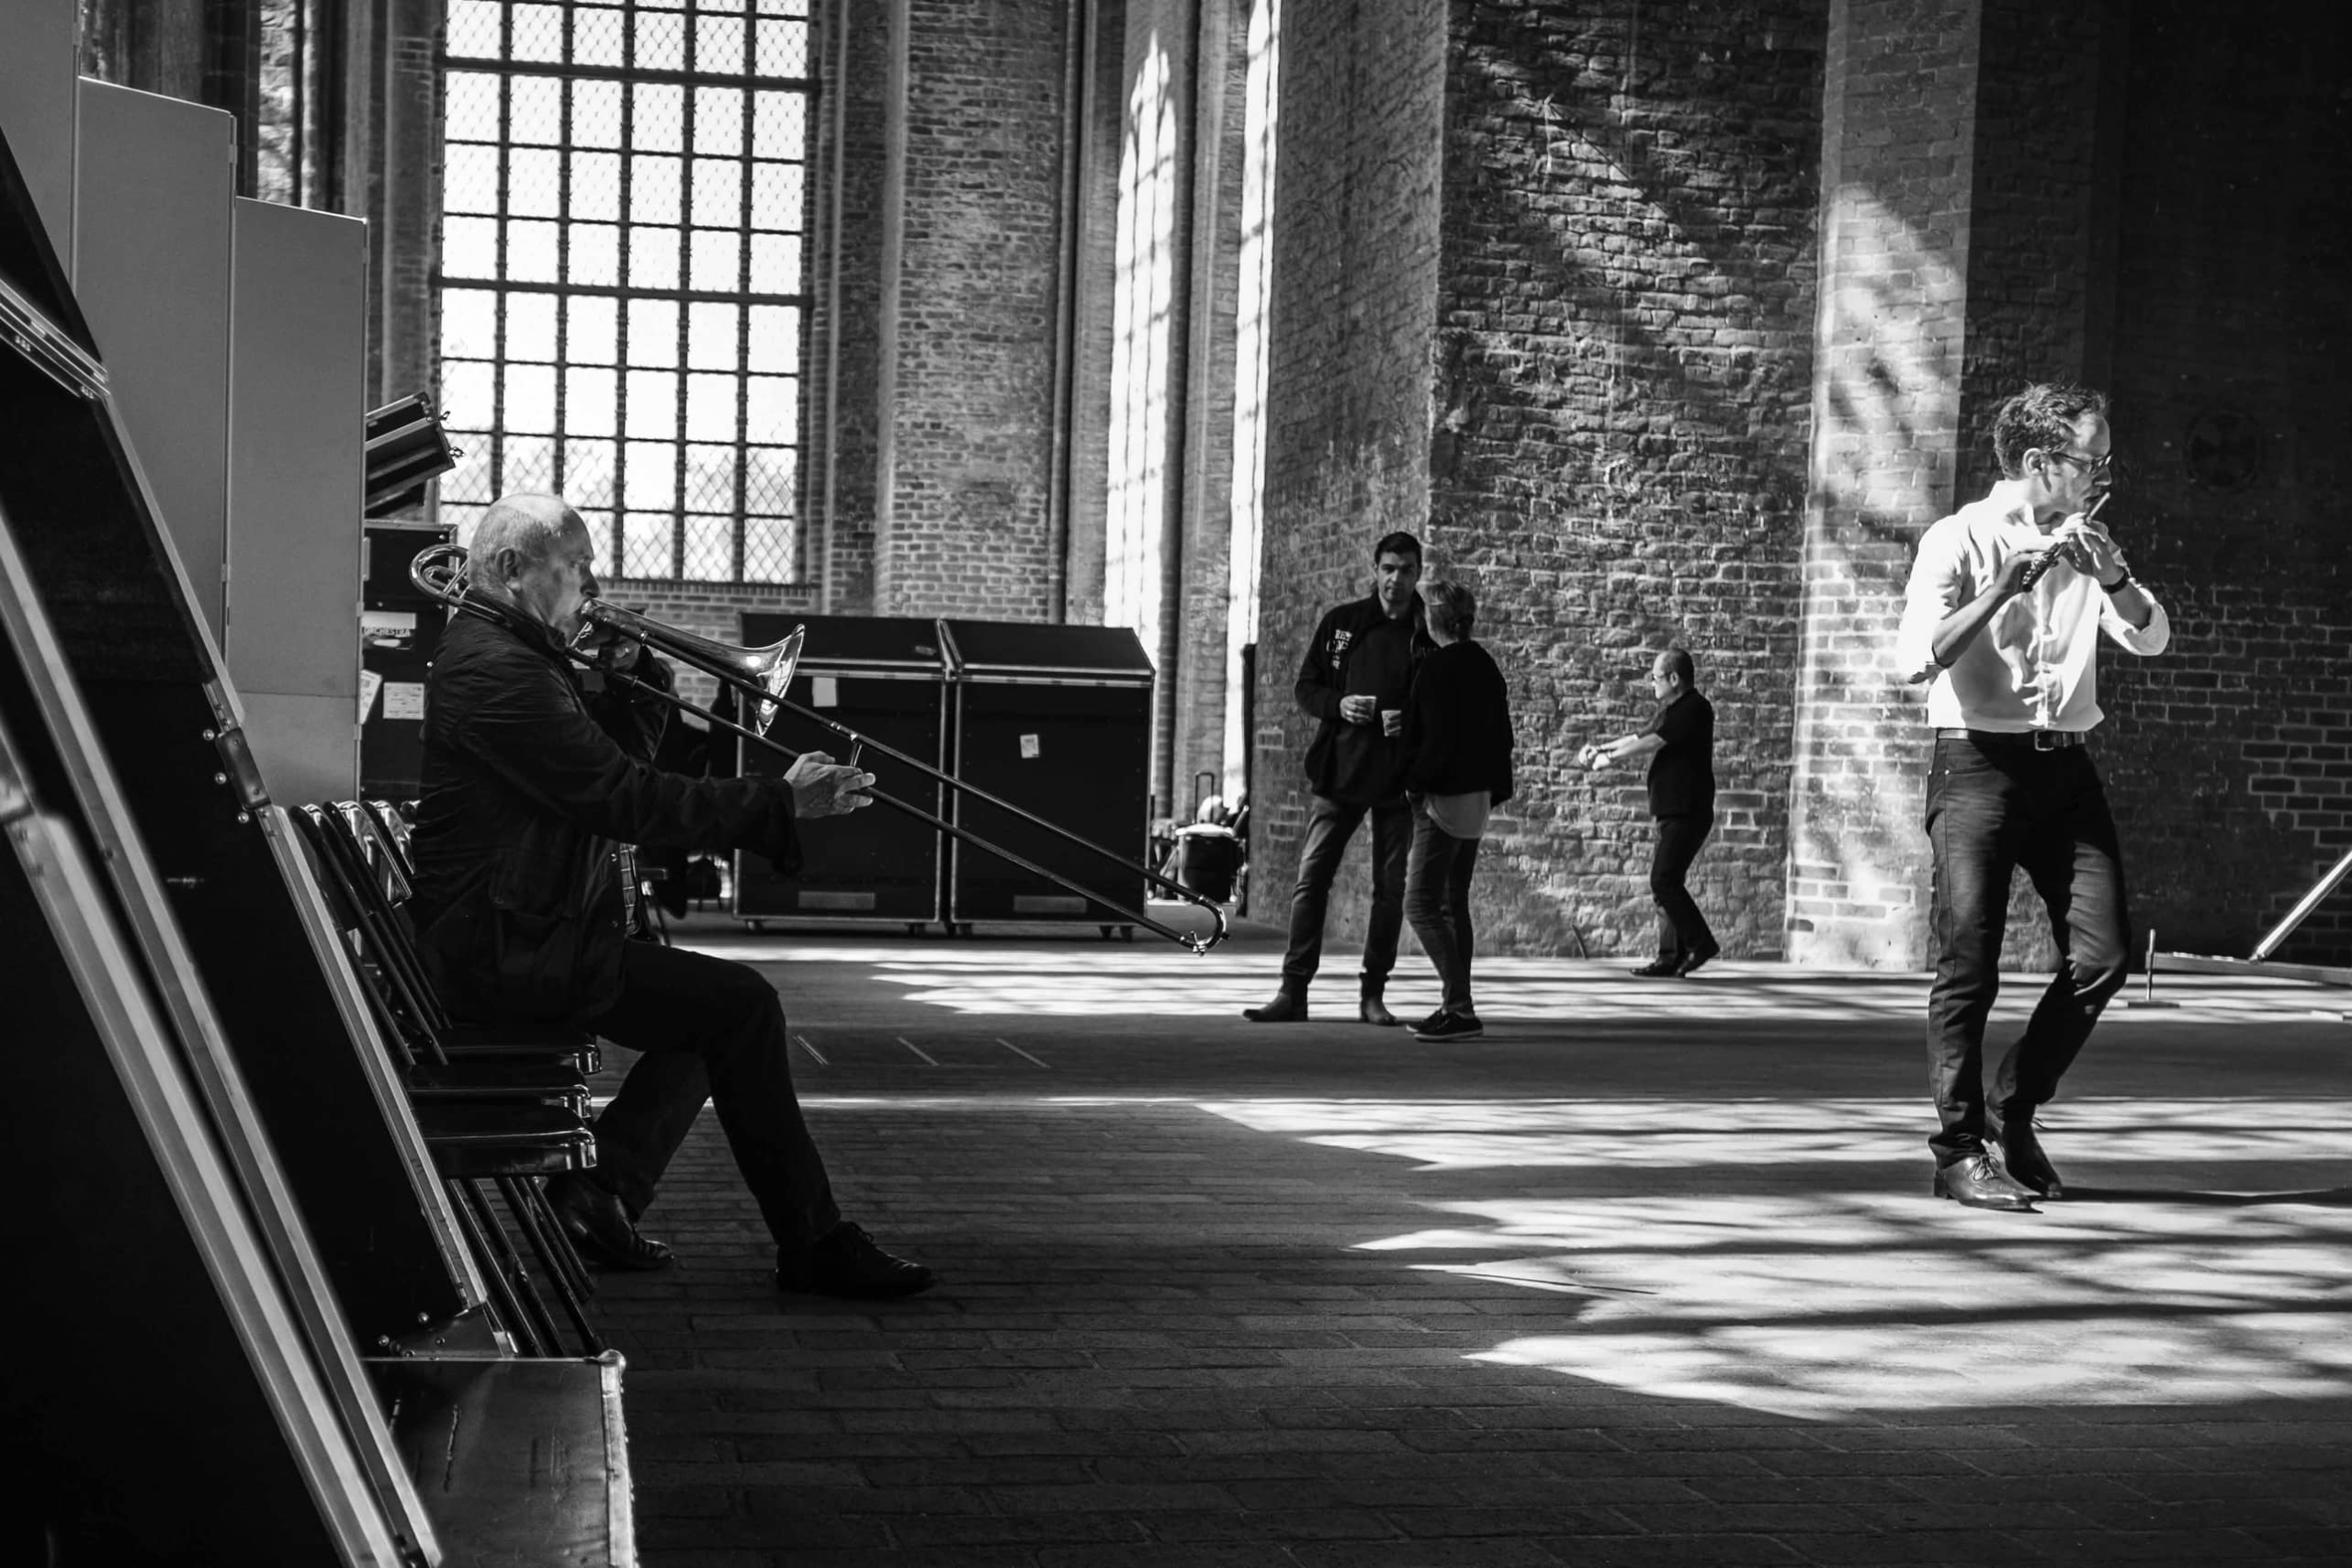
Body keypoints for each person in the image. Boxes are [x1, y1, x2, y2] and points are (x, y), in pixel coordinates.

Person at [408, 492, 935, 1297]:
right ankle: (811, 1241)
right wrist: (779, 800)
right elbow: (625, 800)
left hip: (526, 929)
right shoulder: (497, 669)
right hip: (504, 949)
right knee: (740, 1007)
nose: (592, 585)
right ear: (512, 568)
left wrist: (633, 680)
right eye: (576, 566)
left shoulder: (517, 654)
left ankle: (600, 1193)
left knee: (716, 1009)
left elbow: (611, 772)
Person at [1894, 382, 2170, 1213]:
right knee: (1969, 961)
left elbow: (2151, 636)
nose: (2102, 476)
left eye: (2105, 463)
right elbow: (1914, 658)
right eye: (2092, 461)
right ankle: (1957, 1151)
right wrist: (2001, 589)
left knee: (2103, 955)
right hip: (1976, 763)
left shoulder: (2088, 544)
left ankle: (2012, 1107)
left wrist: (2114, 576)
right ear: (2039, 460)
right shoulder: (1959, 537)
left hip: (2066, 769)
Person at [1242, 531, 1433, 1024]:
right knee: (1311, 880)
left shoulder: (1426, 635)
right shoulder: (1343, 624)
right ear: (1375, 570)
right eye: (1388, 568)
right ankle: (1293, 990)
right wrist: (1340, 704)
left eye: (1406, 570)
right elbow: (1306, 687)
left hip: (1398, 781)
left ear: (1418, 574)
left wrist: (1411, 720)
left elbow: (1441, 707)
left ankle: (1373, 995)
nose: (1395, 579)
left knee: (1389, 889)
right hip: (1340, 772)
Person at [1398, 579, 1514, 1041]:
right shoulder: (1485, 665)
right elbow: (1501, 737)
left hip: (1442, 799)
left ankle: (1460, 1006)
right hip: (1477, 797)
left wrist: (1413, 784)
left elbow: (1433, 739)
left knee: (1420, 902)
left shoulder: (1438, 668)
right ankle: (1455, 1007)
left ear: (1433, 619)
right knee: (1452, 902)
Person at [1579, 648, 1719, 978]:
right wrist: (1602, 749)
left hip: (1688, 810)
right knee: (1664, 886)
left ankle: (1701, 943)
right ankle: (1669, 957)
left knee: (1663, 880)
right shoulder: (1671, 710)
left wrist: (1610, 759)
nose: (1652, 683)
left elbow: (1653, 742)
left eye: (1655, 678)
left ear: (1674, 678)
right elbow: (1638, 735)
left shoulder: (1695, 708)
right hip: (1671, 811)